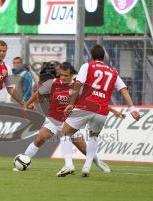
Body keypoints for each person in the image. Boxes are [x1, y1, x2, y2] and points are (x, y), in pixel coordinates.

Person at [23, 62, 125, 172]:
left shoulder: (78, 87)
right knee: (41, 137)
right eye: (61, 75)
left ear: (72, 75)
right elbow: (38, 94)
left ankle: (99, 163)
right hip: (53, 119)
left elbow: (93, 101)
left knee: (84, 149)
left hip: (70, 122)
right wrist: (27, 104)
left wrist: (114, 111)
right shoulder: (52, 83)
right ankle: (24, 159)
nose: (63, 78)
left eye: (66, 75)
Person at [56, 45, 141, 177]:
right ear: (104, 57)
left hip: (85, 107)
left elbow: (78, 84)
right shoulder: (113, 72)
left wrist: (71, 104)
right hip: (101, 111)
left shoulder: (87, 66)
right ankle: (87, 167)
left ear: (91, 55)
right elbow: (124, 90)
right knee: (93, 137)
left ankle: (68, 164)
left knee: (64, 133)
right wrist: (132, 109)